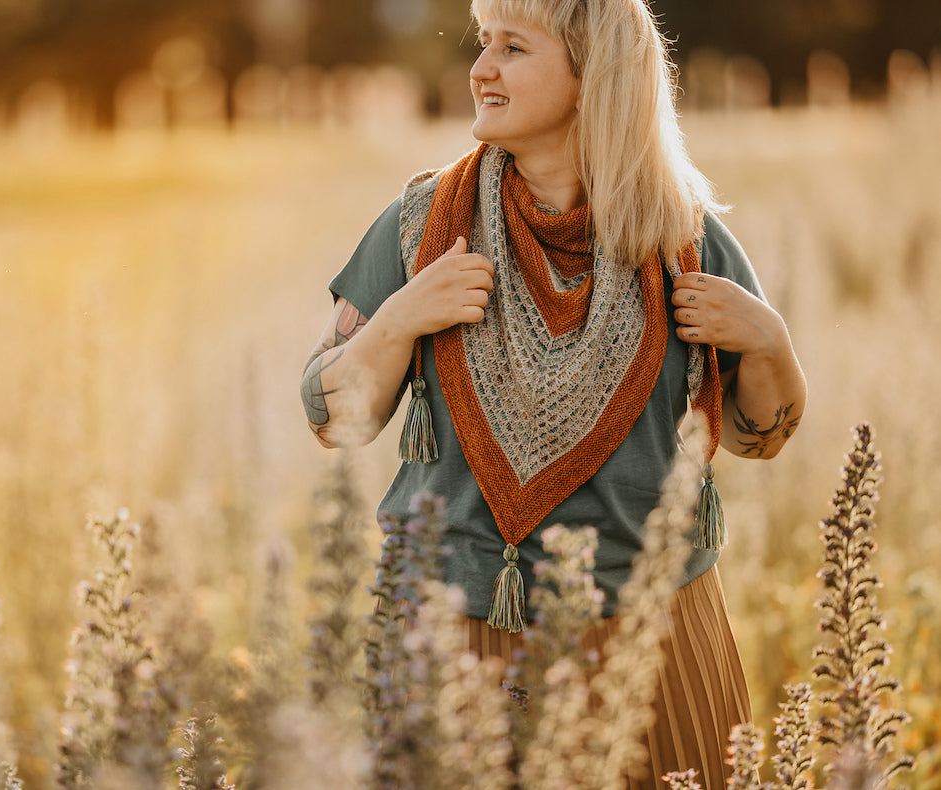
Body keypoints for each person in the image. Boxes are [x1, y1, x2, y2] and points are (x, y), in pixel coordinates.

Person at [301, 0, 806, 786]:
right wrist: (398, 320)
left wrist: (770, 339)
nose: (480, 69)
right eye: (482, 43)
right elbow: (332, 418)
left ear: (592, 77)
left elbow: (757, 434)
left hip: (652, 650)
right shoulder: (422, 221)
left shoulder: (686, 237)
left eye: (512, 47)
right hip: (457, 642)